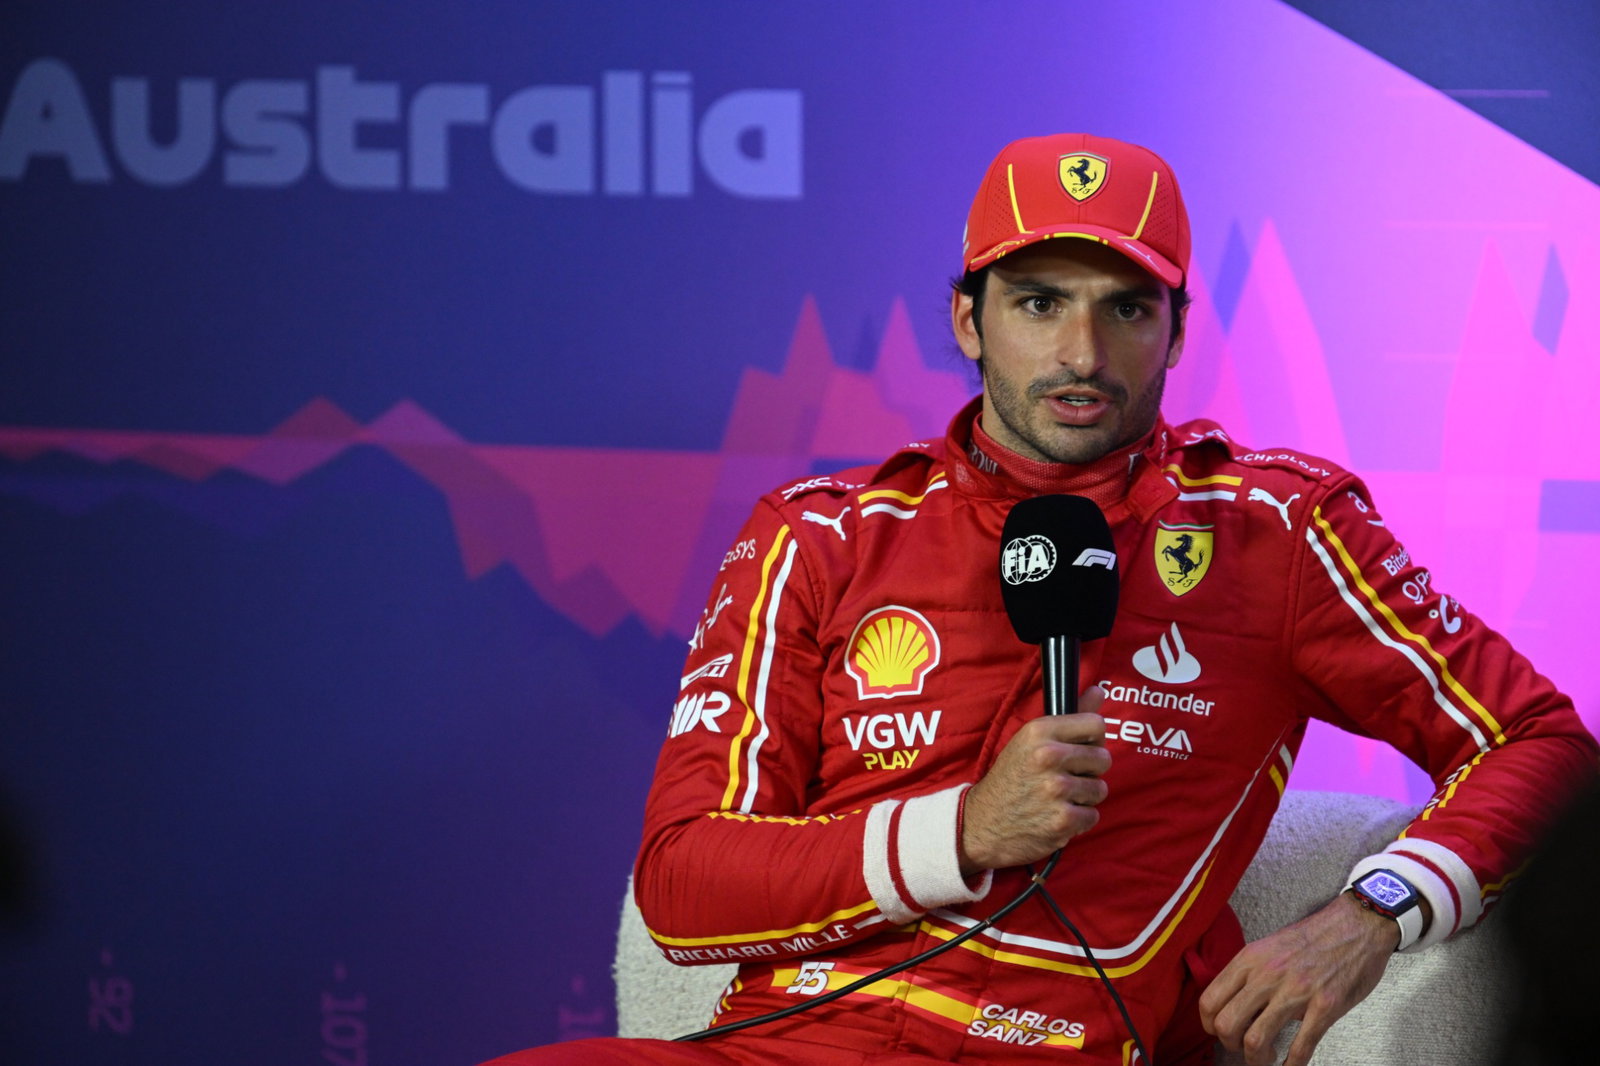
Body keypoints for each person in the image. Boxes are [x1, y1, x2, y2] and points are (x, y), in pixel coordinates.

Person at [482, 133, 1597, 1066]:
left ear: (1174, 330)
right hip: (785, 1044)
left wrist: (1371, 916)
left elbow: (1540, 739)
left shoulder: (1275, 530)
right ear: (968, 320)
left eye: (1126, 309)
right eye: (1037, 301)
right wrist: (960, 830)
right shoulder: (816, 535)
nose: (1081, 352)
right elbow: (682, 886)